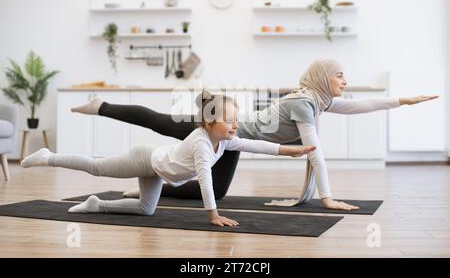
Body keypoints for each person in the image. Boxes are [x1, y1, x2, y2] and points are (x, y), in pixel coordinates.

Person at [70, 58, 438, 211]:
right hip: (217, 125)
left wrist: (402, 101)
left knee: (214, 192)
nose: (346, 81)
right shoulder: (305, 103)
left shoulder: (317, 100)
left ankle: (150, 186)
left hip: (231, 141)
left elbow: (357, 106)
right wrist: (327, 197)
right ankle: (101, 105)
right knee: (159, 120)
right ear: (323, 77)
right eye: (340, 74)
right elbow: (315, 151)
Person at [21, 93, 315, 227]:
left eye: (237, 120)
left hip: (158, 170)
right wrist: (212, 215)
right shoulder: (202, 142)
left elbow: (255, 145)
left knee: (144, 210)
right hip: (146, 159)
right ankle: (49, 157)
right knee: (98, 168)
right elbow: (205, 181)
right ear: (210, 121)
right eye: (230, 120)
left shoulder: (223, 139)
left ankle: (97, 205)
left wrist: (292, 150)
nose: (235, 125)